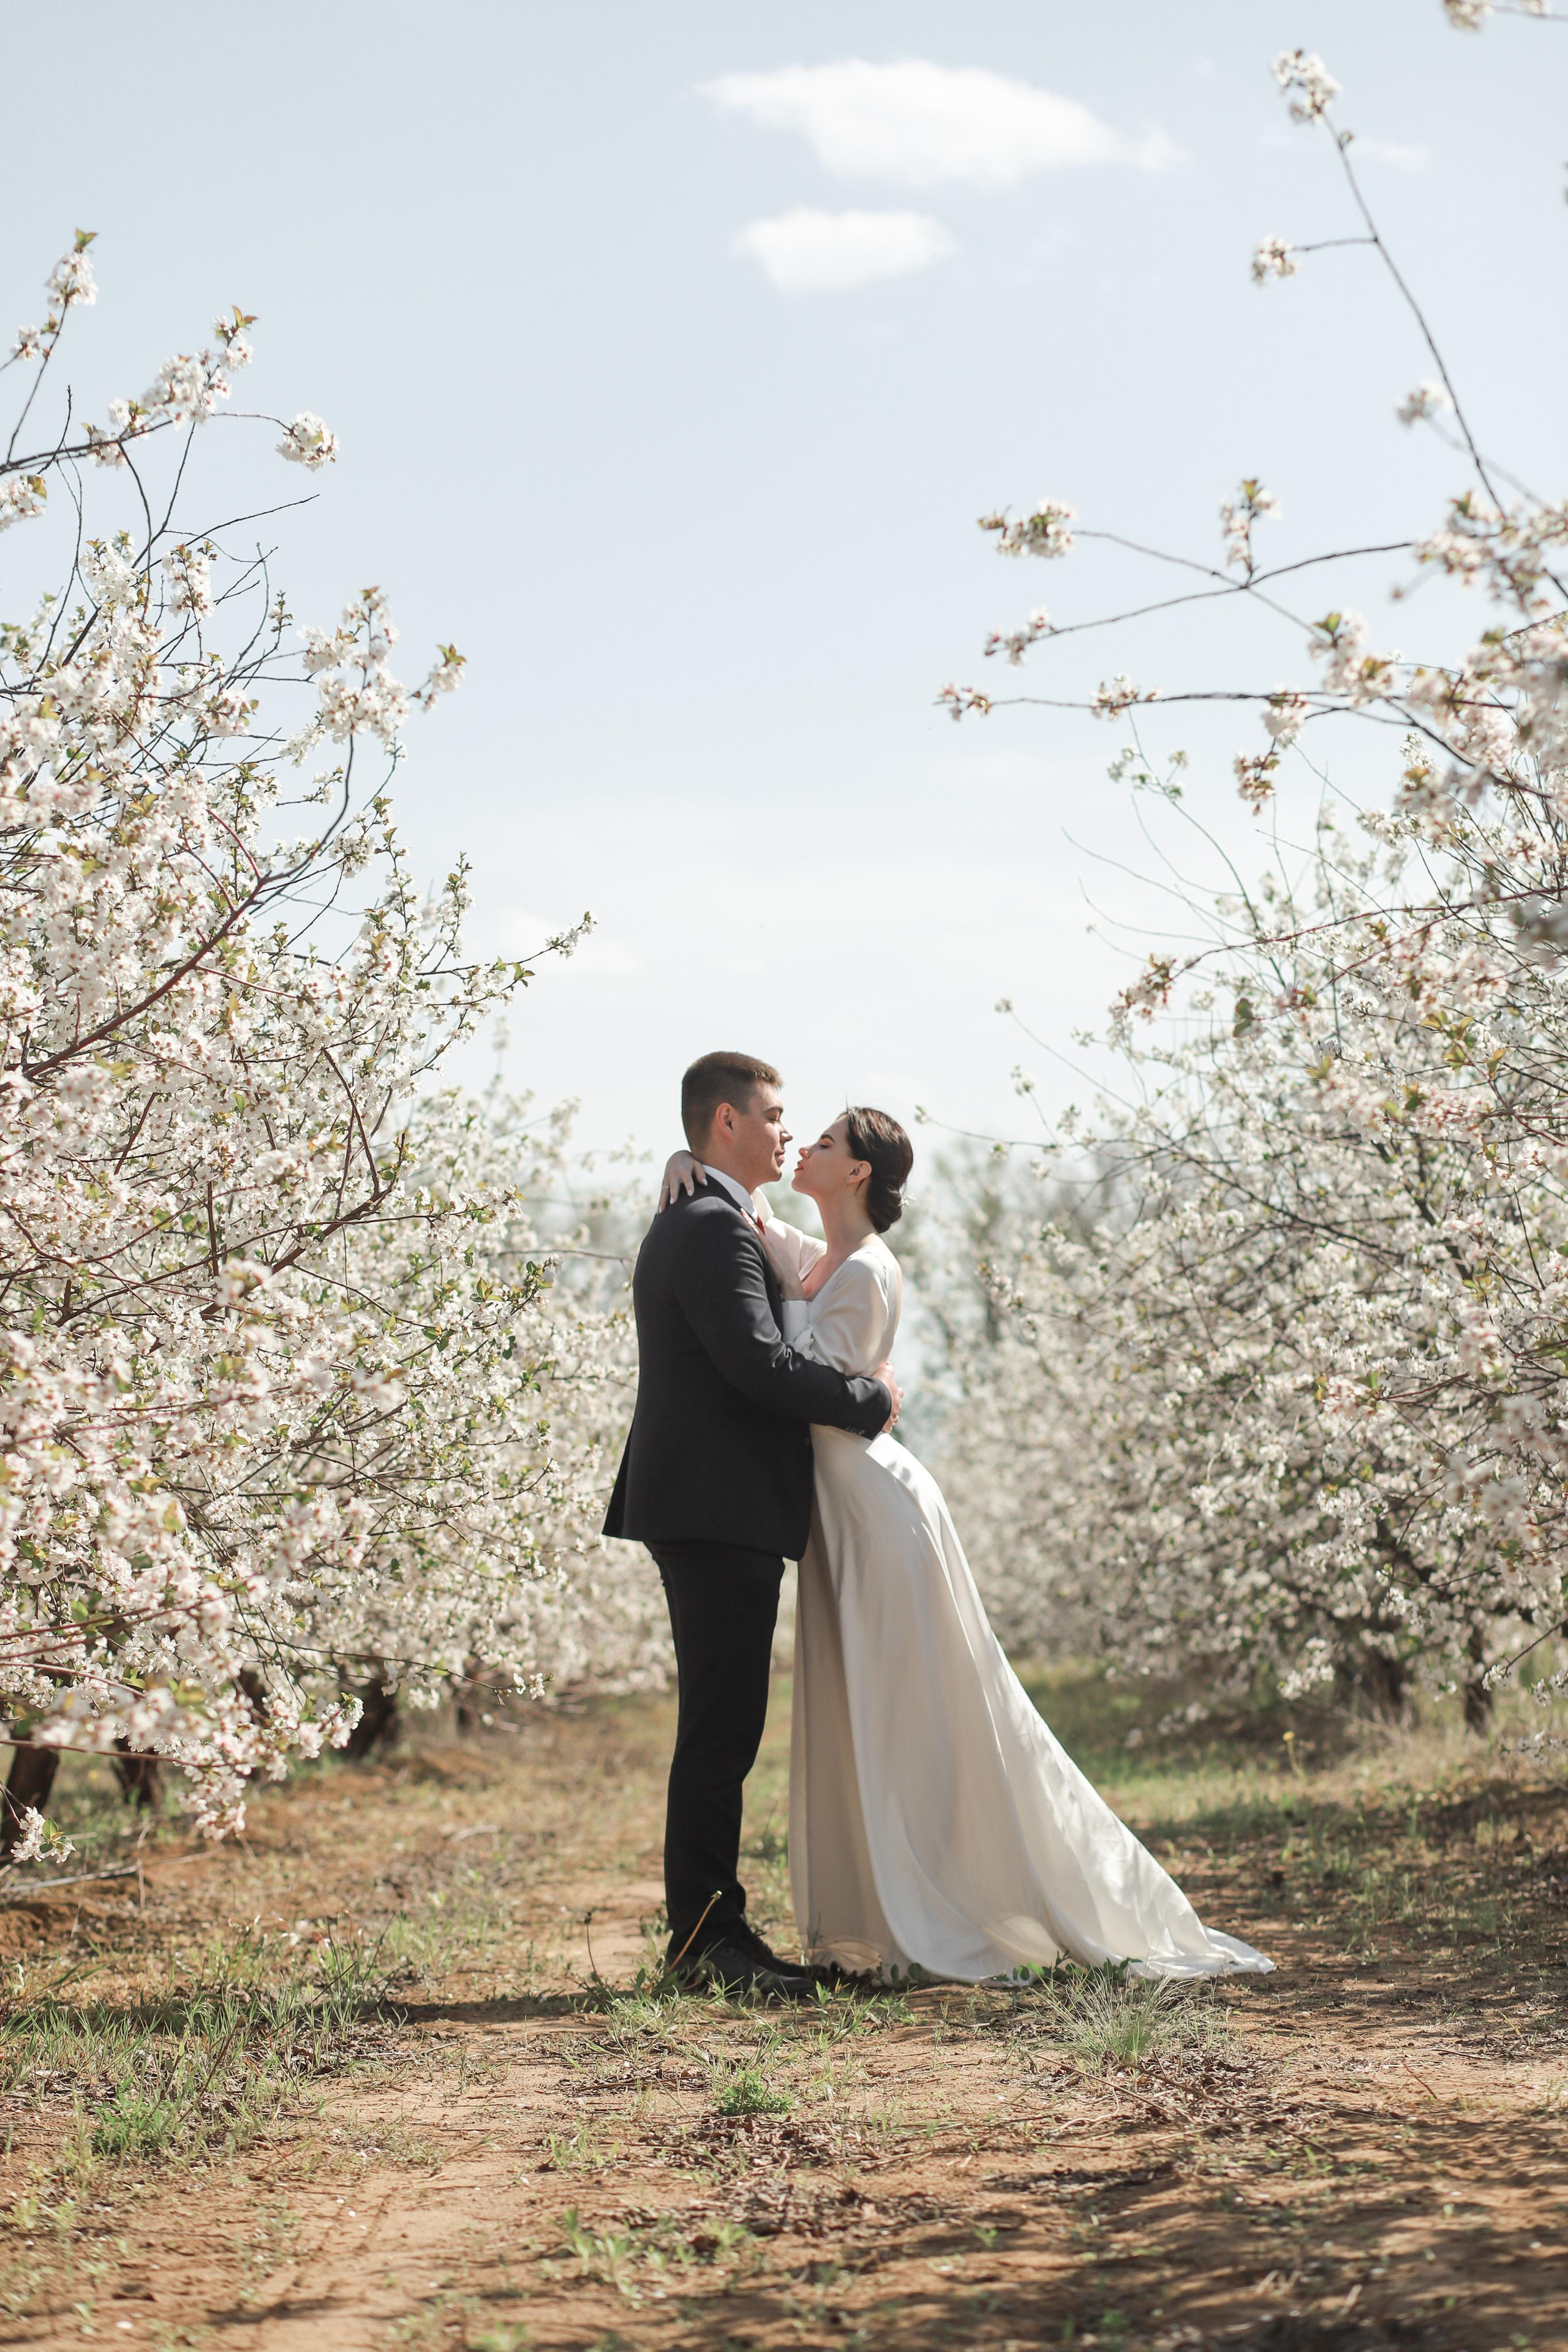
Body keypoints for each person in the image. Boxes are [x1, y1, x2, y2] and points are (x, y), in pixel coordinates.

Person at [657, 1107, 1272, 1985]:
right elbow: (744, 1231)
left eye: (825, 1142)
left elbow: (796, 1383)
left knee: (920, 1708)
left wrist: (865, 1393)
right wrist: (682, 1158)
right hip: (838, 1514)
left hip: (876, 1512)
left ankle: (950, 1897)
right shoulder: (815, 1252)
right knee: (867, 1708)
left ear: (860, 1171)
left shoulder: (868, 1269)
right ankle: (884, 1901)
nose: (803, 1148)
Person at [604, 1052, 902, 1999]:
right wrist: (869, 1398)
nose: (787, 1130)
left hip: (717, 1504)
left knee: (724, 1727)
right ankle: (705, 1946)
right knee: (720, 1732)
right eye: (774, 1116)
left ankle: (716, 1931)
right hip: (713, 1504)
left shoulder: (720, 1218)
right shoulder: (708, 1229)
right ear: (725, 1123)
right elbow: (760, 1369)